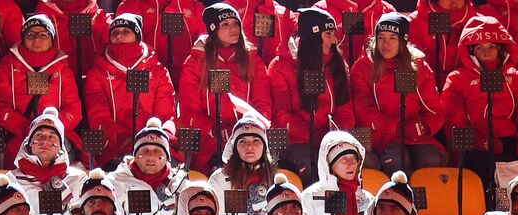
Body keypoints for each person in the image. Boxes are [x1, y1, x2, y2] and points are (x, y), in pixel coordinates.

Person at [442, 16, 518, 183]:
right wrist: (482, 143)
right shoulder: (457, 78)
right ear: (470, 51)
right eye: (480, 47)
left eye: (492, 46)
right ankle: (493, 206)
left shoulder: (513, 76)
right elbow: (454, 123)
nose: (486, 52)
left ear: (500, 49)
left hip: (512, 142)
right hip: (477, 148)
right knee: (489, 170)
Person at [349, 13, 448, 173]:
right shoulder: (363, 67)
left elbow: (435, 110)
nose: (385, 44)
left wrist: (424, 127)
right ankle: (398, 197)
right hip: (380, 136)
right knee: (398, 160)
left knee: (433, 158)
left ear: (403, 41)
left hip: (413, 135)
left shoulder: (418, 66)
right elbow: (363, 110)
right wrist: (395, 127)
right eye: (381, 37)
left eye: (392, 38)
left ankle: (423, 198)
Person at [177, 3, 273, 165]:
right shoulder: (195, 62)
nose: (233, 28)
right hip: (210, 143)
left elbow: (263, 105)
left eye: (236, 23)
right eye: (225, 24)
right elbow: (189, 111)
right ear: (213, 29)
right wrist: (215, 131)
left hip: (248, 137)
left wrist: (244, 130)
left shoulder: (253, 59)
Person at [268, 9, 355, 180]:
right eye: (328, 34)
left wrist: (336, 136)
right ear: (313, 36)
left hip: (328, 139)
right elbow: (281, 115)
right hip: (295, 141)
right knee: (313, 167)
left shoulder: (336, 63)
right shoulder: (281, 66)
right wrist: (311, 135)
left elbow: (345, 108)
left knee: (351, 163)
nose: (334, 40)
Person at [84, 15, 177, 169]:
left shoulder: (158, 70)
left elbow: (166, 113)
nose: (119, 35)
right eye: (114, 33)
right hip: (115, 148)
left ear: (138, 36)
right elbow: (98, 114)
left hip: (153, 143)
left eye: (126, 31)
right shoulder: (97, 73)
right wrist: (120, 138)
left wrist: (156, 137)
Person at [0, 15, 82, 161]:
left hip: (55, 135)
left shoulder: (63, 69)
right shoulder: (6, 66)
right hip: (18, 135)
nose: (36, 40)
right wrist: (27, 127)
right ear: (22, 38)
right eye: (30, 35)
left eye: (43, 35)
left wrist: (51, 126)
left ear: (51, 40)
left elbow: (74, 110)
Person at [206, 113, 278, 215]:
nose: (249, 147)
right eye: (242, 141)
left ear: (264, 146)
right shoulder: (219, 180)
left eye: (255, 141)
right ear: (234, 148)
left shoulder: (274, 178)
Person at [300, 131, 375, 215]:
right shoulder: (310, 197)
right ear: (330, 164)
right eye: (344, 159)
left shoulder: (367, 199)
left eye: (354, 158)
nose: (351, 164)